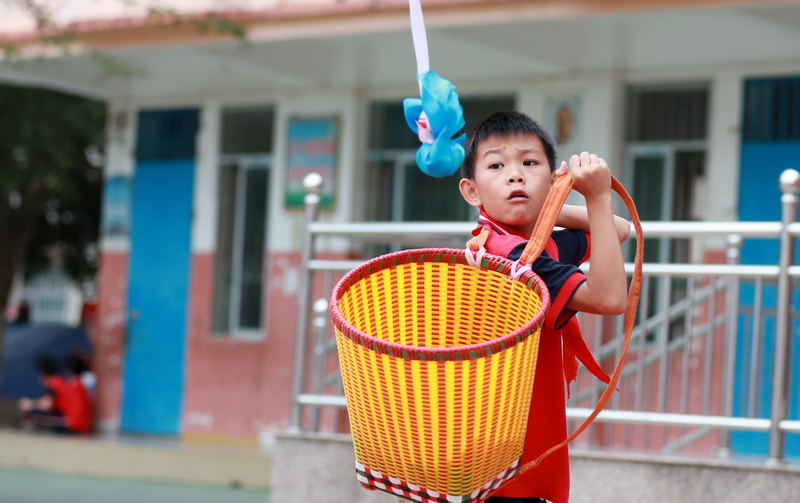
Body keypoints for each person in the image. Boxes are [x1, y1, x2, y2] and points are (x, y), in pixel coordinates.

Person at [457, 110, 630, 503]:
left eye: (530, 163)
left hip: (509, 459)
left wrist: (549, 207)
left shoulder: (539, 244)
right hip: (493, 466)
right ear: (471, 191)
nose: (515, 176)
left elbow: (618, 229)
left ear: (553, 181)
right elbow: (609, 298)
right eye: (496, 165)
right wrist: (596, 196)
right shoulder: (510, 256)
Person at [18, 356, 93, 434]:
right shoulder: (64, 382)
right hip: (83, 425)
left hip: (72, 424)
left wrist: (30, 404)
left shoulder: (53, 383)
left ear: (42, 374)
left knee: (33, 414)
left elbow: (47, 405)